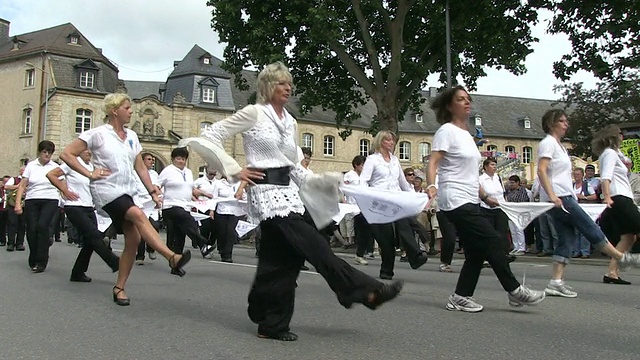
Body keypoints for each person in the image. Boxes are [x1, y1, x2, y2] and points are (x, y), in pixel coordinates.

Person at [180, 62, 402, 341]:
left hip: (288, 192)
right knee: (316, 246)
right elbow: (210, 136)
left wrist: (328, 183)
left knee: (281, 262)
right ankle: (364, 291)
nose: (288, 88)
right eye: (282, 83)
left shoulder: (290, 121)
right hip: (267, 195)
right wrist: (235, 169)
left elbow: (293, 165)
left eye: (289, 83)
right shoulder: (253, 113)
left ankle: (269, 321)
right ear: (268, 86)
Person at [59, 93, 191, 306]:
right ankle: (171, 257)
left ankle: (119, 288)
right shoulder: (98, 134)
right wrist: (89, 173)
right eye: (127, 108)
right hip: (106, 190)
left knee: (134, 239)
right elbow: (66, 154)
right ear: (114, 111)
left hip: (126, 191)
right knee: (138, 214)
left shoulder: (132, 136)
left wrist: (152, 191)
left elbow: (139, 166)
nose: (131, 111)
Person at [427, 85, 545, 312]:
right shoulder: (446, 131)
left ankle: (461, 296)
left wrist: (485, 196)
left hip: (471, 198)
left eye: (468, 98)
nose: (467, 102)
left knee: (476, 252)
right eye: (461, 99)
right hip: (454, 199)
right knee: (492, 240)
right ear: (450, 106)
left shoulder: (467, 136)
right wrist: (432, 185)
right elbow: (433, 162)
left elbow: (470, 173)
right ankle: (514, 291)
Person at [536, 110, 640, 298]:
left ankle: (556, 282)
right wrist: (552, 195)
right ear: (551, 124)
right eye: (561, 121)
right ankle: (622, 258)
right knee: (589, 227)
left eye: (566, 121)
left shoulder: (560, 146)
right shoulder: (548, 143)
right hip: (561, 198)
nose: (566, 124)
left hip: (565, 196)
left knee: (566, 239)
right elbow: (541, 170)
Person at [360, 131, 428, 280]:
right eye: (388, 140)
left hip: (396, 200)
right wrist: (366, 197)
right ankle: (386, 271)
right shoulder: (372, 160)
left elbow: (403, 183)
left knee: (404, 223)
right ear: (381, 142)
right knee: (386, 239)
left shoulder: (395, 160)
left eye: (393, 140)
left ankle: (415, 256)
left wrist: (417, 197)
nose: (392, 143)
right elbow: (363, 181)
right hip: (380, 202)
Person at [46, 149, 120, 281]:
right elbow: (51, 175)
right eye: (85, 150)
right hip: (74, 206)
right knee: (94, 235)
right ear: (79, 152)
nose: (89, 153)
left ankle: (77, 272)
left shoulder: (92, 168)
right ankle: (114, 261)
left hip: (89, 207)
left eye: (90, 150)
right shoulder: (72, 164)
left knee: (89, 242)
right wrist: (64, 190)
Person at [592, 124, 640, 285]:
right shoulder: (609, 153)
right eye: (620, 133)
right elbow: (605, 177)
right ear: (612, 136)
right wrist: (607, 197)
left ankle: (612, 272)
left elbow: (626, 160)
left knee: (629, 236)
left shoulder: (615, 153)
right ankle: (616, 268)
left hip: (623, 197)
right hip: (618, 197)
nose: (623, 136)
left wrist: (626, 162)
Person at [157, 147, 213, 275]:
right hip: (171, 207)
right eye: (178, 158)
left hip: (185, 205)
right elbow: (157, 185)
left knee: (179, 237)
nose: (181, 161)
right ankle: (203, 245)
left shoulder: (188, 172)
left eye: (183, 159)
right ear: (173, 159)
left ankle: (175, 267)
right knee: (188, 220)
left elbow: (190, 189)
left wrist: (202, 194)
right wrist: (158, 198)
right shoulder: (168, 171)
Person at [13, 141, 61, 272]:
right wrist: (18, 203)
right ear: (39, 152)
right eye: (44, 152)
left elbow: (62, 184)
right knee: (32, 229)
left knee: (42, 226)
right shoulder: (31, 166)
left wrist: (67, 196)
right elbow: (22, 185)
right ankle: (33, 256)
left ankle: (41, 261)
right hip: (32, 198)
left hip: (50, 198)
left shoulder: (55, 166)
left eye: (49, 153)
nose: (47, 155)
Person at [343, 155, 373, 266]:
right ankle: (359, 253)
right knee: (361, 229)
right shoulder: (349, 175)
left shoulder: (365, 178)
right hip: (353, 207)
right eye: (362, 165)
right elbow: (342, 188)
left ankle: (361, 252)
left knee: (365, 230)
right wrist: (344, 200)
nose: (364, 167)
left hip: (363, 206)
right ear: (356, 165)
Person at [478, 158, 510, 255]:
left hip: (500, 208)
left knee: (503, 232)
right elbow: (480, 193)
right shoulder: (481, 179)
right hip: (486, 209)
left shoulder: (498, 177)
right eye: (492, 165)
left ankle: (504, 254)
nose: (494, 167)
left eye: (495, 165)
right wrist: (488, 201)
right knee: (490, 233)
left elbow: (503, 193)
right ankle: (489, 255)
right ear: (485, 167)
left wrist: (506, 205)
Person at [134, 152, 160, 265]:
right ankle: (140, 256)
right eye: (149, 159)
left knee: (154, 226)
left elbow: (157, 187)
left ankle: (151, 248)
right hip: (141, 203)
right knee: (142, 230)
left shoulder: (154, 174)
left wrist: (158, 197)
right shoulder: (135, 174)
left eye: (152, 160)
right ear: (143, 161)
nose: (151, 161)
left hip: (152, 203)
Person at [571, 167, 596, 258]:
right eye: (575, 174)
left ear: (582, 175)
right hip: (574, 210)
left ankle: (585, 252)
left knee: (584, 232)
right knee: (575, 231)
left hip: (584, 210)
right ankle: (576, 251)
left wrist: (584, 197)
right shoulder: (571, 185)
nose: (576, 176)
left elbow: (594, 196)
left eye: (577, 174)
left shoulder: (587, 185)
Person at [193, 167, 219, 255]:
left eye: (214, 174)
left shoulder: (217, 182)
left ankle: (210, 244)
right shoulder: (199, 181)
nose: (212, 176)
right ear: (206, 172)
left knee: (215, 229)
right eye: (210, 174)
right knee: (205, 228)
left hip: (214, 207)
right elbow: (191, 190)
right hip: (203, 207)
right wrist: (199, 196)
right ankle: (204, 247)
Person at [505, 175, 530, 256]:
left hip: (519, 213)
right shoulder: (509, 191)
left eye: (512, 183)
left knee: (519, 230)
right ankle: (516, 247)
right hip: (510, 213)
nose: (511, 184)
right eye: (510, 183)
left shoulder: (522, 190)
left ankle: (521, 248)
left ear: (517, 182)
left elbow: (522, 201)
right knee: (513, 231)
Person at [4, 167, 26, 252]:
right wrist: (18, 186)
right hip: (13, 204)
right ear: (20, 171)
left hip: (24, 204)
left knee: (22, 224)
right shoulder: (14, 179)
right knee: (12, 223)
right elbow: (6, 186)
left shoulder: (29, 180)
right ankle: (11, 243)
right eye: (22, 171)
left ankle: (20, 243)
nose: (23, 172)